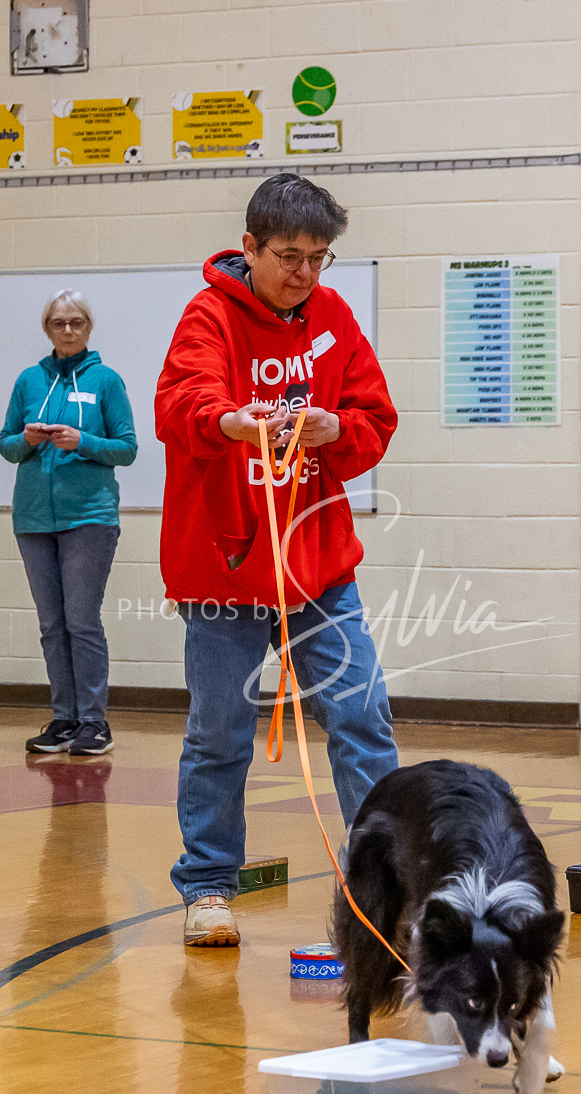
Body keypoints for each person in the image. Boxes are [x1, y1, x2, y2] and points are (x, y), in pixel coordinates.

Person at [156, 172, 399, 948]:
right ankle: (207, 888)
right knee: (220, 734)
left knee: (361, 717)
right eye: (289, 256)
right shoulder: (208, 316)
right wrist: (228, 421)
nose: (304, 273)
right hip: (224, 570)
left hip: (318, 569)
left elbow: (374, 418)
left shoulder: (333, 316)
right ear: (251, 247)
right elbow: (179, 404)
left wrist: (339, 429)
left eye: (318, 257)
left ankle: (383, 887)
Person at [0, 289, 137, 755]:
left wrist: (83, 441)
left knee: (81, 621)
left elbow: (127, 448)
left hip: (89, 518)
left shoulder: (106, 381)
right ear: (47, 329)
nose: (68, 330)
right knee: (51, 624)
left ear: (88, 326)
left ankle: (94, 723)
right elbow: (7, 445)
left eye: (76, 322)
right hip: (33, 519)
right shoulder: (29, 380)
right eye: (59, 323)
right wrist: (27, 439)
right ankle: (64, 719)